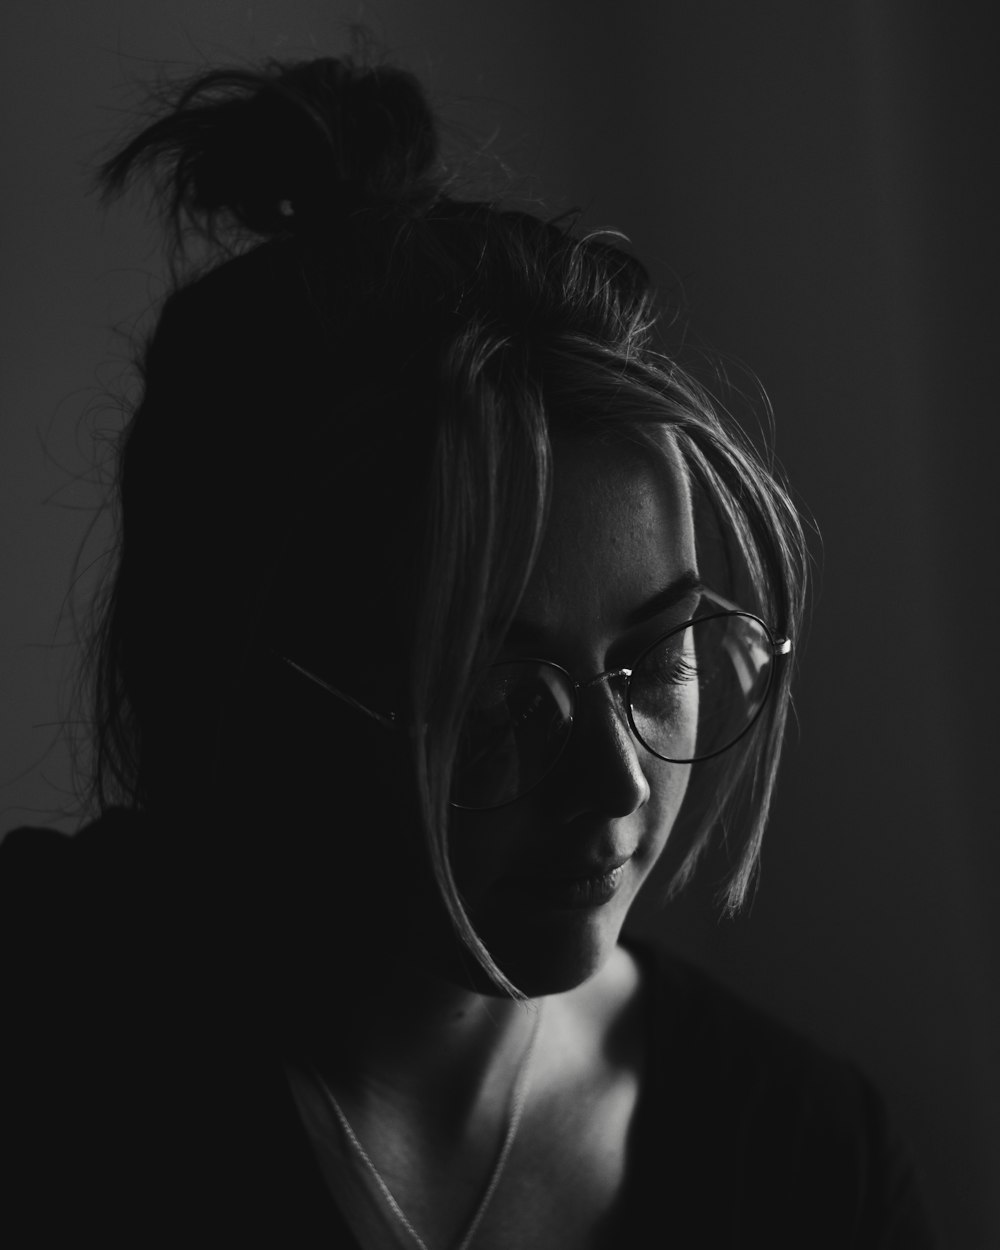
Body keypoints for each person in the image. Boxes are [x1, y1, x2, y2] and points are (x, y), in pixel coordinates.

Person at [1, 56, 933, 1247]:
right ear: (250, 684)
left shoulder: (806, 1161)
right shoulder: (40, 1042)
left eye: (656, 660)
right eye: (500, 693)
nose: (617, 780)